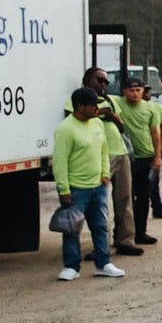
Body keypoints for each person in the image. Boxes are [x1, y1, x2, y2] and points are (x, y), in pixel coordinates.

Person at [53, 87, 124, 280]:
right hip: (76, 188)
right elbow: (60, 162)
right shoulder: (66, 129)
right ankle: (71, 266)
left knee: (100, 226)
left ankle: (103, 263)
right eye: (92, 106)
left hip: (98, 186)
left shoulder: (98, 124)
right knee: (72, 228)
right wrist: (64, 189)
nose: (96, 109)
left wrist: (105, 173)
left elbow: (103, 149)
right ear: (79, 107)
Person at [74, 67, 139, 258]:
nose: (103, 84)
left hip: (120, 151)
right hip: (99, 156)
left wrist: (109, 115)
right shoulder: (78, 99)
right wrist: (101, 114)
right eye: (99, 80)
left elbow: (121, 125)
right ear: (87, 79)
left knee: (124, 198)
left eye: (105, 82)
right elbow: (77, 119)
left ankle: (126, 240)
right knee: (98, 202)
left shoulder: (110, 100)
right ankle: (100, 245)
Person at [116, 77, 162, 247]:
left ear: (143, 91)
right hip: (126, 157)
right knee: (125, 197)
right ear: (124, 91)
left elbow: (155, 133)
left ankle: (140, 232)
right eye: (131, 90)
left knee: (144, 196)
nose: (135, 93)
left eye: (138, 90)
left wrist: (157, 156)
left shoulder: (151, 108)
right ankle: (121, 233)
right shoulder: (118, 104)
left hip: (146, 157)